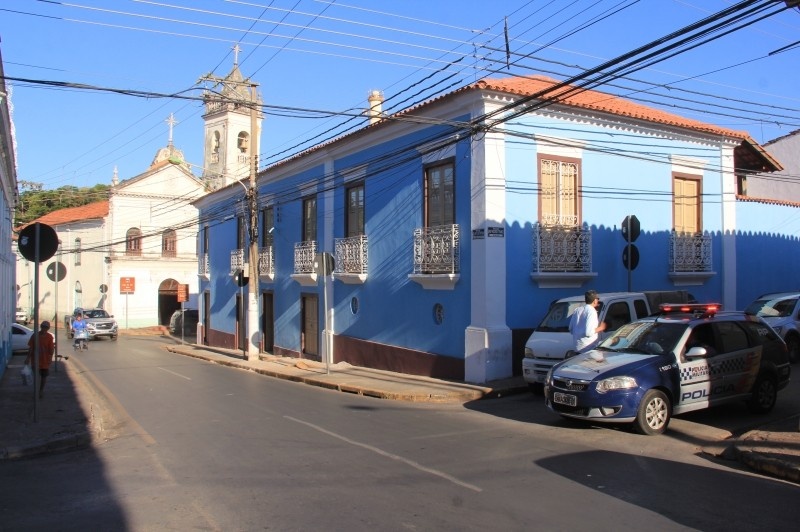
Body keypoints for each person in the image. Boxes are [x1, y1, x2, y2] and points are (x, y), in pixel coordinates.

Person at [25, 321, 55, 399]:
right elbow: (31, 348)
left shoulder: (49, 337)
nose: (44, 329)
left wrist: (50, 359)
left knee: (43, 377)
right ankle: (36, 391)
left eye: (46, 327)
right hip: (35, 360)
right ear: (41, 327)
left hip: (45, 361)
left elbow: (51, 350)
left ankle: (40, 390)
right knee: (36, 377)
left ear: (48, 328)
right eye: (43, 327)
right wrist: (28, 358)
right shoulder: (35, 336)